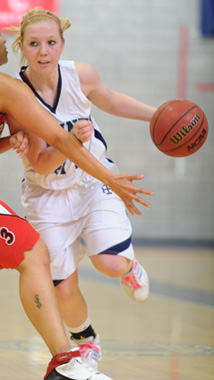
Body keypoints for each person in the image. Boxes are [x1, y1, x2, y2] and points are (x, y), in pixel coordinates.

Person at [7, 9, 156, 371]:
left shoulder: (81, 75)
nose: (44, 51)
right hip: (46, 196)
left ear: (62, 44)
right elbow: (41, 162)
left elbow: (112, 100)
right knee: (62, 288)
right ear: (22, 49)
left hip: (92, 182)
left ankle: (127, 265)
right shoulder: (15, 94)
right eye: (34, 44)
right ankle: (86, 341)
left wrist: (158, 114)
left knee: (110, 263)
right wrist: (70, 140)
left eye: (51, 42)